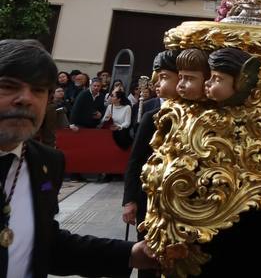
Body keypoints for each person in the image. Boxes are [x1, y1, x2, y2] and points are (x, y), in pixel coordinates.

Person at [0, 39, 158, 276]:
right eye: (9, 86)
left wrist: (131, 254)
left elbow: (46, 244)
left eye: (39, 90)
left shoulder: (47, 162)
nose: (26, 99)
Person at [123, 52, 178, 231]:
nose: (157, 84)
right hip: (149, 194)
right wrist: (130, 199)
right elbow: (136, 159)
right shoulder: (150, 117)